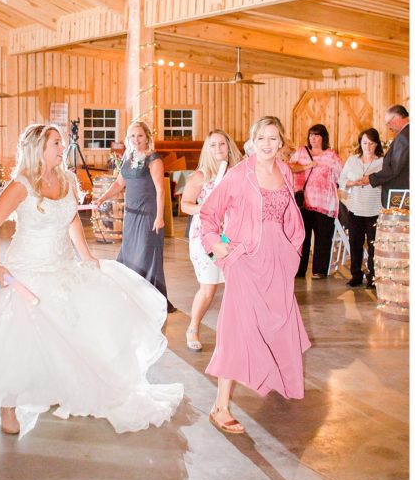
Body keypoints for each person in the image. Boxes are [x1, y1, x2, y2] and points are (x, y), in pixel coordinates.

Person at [0, 124, 183, 436]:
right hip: (28, 269)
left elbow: (71, 217)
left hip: (61, 265)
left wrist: (85, 255)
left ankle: (55, 387)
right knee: (19, 337)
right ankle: (8, 404)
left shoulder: (67, 179)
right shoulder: (22, 185)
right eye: (57, 143)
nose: (63, 147)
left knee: (65, 330)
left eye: (62, 142)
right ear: (39, 149)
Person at [199, 116, 310, 435]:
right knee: (238, 328)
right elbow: (208, 214)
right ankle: (220, 406)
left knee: (277, 322)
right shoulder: (237, 175)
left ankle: (272, 377)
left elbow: (289, 214)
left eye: (273, 139)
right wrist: (216, 246)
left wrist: (292, 248)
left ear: (281, 142)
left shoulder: (285, 171)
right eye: (261, 138)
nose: (267, 144)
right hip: (246, 260)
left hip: (278, 260)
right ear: (252, 140)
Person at [97, 119, 174, 309]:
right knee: (130, 254)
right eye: (132, 136)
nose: (136, 139)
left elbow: (160, 190)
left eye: (140, 135)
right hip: (130, 215)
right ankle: (131, 295)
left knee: (145, 254)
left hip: (148, 215)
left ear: (147, 137)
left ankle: (151, 299)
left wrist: (159, 217)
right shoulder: (128, 158)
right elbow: (118, 184)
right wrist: (102, 198)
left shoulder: (154, 159)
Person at [180, 130, 242, 351]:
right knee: (209, 288)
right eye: (213, 145)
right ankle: (193, 327)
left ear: (229, 146)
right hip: (205, 238)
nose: (218, 149)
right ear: (208, 149)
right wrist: (205, 208)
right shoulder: (200, 176)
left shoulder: (236, 174)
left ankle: (232, 334)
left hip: (231, 238)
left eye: (222, 144)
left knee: (236, 286)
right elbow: (185, 204)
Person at [289, 124, 343, 279]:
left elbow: (341, 175)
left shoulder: (331, 155)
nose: (313, 138)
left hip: (324, 203)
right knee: (302, 237)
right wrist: (308, 165)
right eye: (311, 135)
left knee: (323, 237)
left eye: (317, 135)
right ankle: (298, 270)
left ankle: (319, 271)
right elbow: (289, 167)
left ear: (323, 138)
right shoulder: (301, 152)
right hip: (302, 202)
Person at [338, 129, 384, 288]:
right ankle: (356, 274)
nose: (368, 146)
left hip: (374, 209)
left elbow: (385, 182)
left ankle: (372, 276)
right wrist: (353, 183)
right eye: (365, 143)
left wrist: (370, 181)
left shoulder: (382, 162)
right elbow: (341, 180)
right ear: (360, 144)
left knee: (373, 245)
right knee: (355, 243)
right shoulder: (352, 160)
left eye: (371, 143)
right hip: (355, 209)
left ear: (376, 144)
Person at [351, 105, 409, 206]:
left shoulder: (404, 137)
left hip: (399, 195)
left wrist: (371, 178)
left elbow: (394, 169)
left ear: (396, 118)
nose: (388, 127)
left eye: (388, 123)